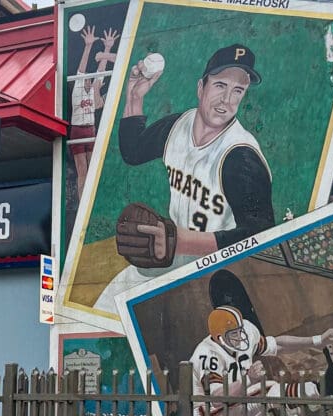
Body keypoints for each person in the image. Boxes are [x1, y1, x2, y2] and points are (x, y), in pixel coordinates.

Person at [93, 44, 274, 311]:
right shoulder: (179, 125)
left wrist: (177, 240)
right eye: (220, 85)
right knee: (105, 307)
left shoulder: (240, 156)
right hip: (171, 255)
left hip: (219, 272)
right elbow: (133, 152)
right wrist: (134, 97)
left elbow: (262, 236)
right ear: (201, 87)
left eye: (238, 91)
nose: (227, 99)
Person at [190, 305, 333, 416]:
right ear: (220, 338)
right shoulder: (207, 354)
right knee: (267, 389)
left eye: (240, 330)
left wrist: (317, 340)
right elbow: (217, 399)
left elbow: (277, 345)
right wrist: (248, 379)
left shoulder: (246, 331)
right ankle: (319, 388)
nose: (241, 337)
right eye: (234, 334)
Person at [69, 26, 118, 199]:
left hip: (91, 129)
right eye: (87, 79)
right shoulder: (79, 88)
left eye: (91, 79)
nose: (89, 81)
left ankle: (94, 198)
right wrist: (88, 46)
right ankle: (83, 201)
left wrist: (107, 48)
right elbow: (82, 68)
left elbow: (102, 70)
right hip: (77, 130)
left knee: (93, 169)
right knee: (82, 170)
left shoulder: (94, 88)